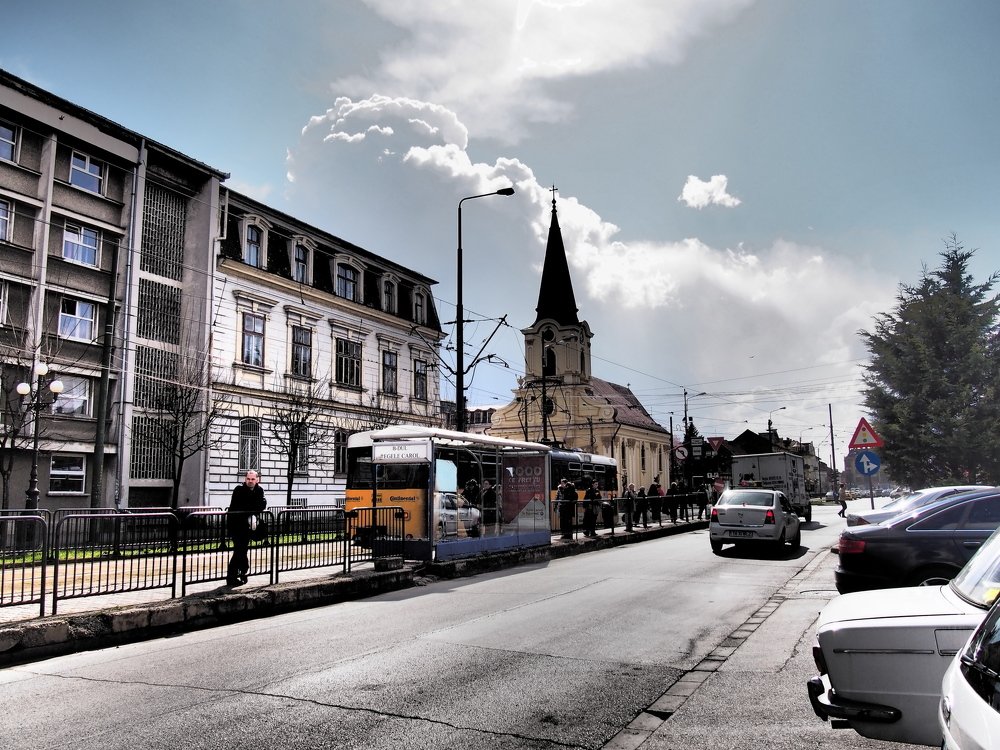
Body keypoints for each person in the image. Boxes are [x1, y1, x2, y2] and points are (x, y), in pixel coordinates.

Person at [227, 470, 266, 586]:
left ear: (257, 480)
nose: (250, 481)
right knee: (240, 550)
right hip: (236, 525)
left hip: (247, 527)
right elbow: (240, 506)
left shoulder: (259, 490)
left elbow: (262, 505)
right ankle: (234, 576)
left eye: (253, 479)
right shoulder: (238, 489)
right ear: (245, 479)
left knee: (242, 550)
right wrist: (252, 507)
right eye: (248, 479)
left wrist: (251, 508)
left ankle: (241, 573)